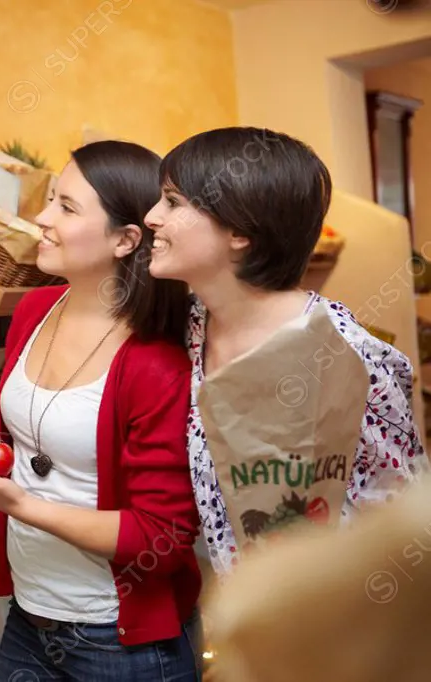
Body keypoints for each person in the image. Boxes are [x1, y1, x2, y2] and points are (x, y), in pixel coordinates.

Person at [0, 141, 203, 681]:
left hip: (118, 640)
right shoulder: (32, 309)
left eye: (67, 208)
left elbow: (161, 539)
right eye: (51, 199)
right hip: (30, 617)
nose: (42, 219)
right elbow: (53, 438)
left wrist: (17, 504)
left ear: (126, 239)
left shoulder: (156, 362)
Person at [143, 126, 429, 577]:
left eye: (173, 202)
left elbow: (407, 521)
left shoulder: (343, 353)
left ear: (238, 230)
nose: (151, 217)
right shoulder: (193, 327)